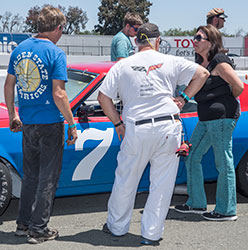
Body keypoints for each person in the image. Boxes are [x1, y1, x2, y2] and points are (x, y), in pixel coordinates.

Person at [98, 23, 209, 246]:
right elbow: (203, 73)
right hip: (168, 127)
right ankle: (151, 233)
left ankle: (117, 227)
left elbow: (103, 98)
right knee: (162, 183)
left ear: (137, 41)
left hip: (137, 128)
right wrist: (184, 98)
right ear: (157, 40)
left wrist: (118, 123)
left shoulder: (124, 65)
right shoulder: (171, 61)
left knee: (126, 179)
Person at [4, 6, 78, 244]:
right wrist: (72, 123)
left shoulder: (20, 50)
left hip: (28, 123)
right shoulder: (56, 53)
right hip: (49, 123)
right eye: (62, 29)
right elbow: (59, 93)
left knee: (31, 176)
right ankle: (38, 229)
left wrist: (14, 114)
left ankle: (23, 224)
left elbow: (8, 85)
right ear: (57, 28)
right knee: (48, 177)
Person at [174, 25, 244, 221]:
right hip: (205, 119)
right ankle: (196, 203)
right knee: (192, 155)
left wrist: (225, 102)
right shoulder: (199, 64)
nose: (194, 41)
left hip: (222, 119)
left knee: (223, 162)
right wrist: (181, 99)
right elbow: (193, 88)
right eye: (194, 37)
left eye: (198, 38)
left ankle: (227, 210)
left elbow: (238, 87)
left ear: (211, 42)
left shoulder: (219, 62)